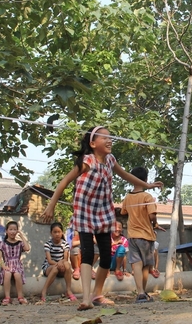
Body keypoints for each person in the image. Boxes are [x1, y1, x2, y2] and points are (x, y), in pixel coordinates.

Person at [41, 126, 163, 311]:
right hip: (84, 211)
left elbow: (126, 175)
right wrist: (51, 206)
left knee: (106, 256)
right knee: (88, 253)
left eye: (110, 138)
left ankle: (97, 295)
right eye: (104, 138)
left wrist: (148, 185)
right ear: (92, 143)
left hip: (104, 211)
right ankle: (87, 298)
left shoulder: (110, 160)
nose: (109, 140)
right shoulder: (86, 161)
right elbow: (64, 182)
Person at [120, 167, 166, 303]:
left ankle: (140, 292)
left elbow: (123, 212)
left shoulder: (128, 197)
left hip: (132, 235)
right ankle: (143, 293)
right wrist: (155, 223)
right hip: (145, 235)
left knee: (136, 264)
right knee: (146, 265)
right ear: (146, 180)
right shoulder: (147, 196)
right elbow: (152, 215)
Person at [40, 222, 77, 303]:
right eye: (55, 232)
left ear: (62, 232)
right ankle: (44, 291)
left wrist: (61, 262)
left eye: (59, 232)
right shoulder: (48, 244)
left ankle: (68, 290)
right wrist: (58, 264)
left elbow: (65, 258)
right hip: (50, 266)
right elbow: (49, 260)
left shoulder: (65, 244)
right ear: (51, 233)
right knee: (55, 268)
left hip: (62, 265)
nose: (57, 234)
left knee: (67, 264)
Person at [0, 221, 30, 305]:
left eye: (15, 229)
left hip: (17, 265)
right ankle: (7, 297)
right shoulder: (2, 243)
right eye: (10, 229)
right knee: (7, 274)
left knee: (17, 275)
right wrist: (4, 267)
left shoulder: (19, 243)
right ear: (6, 231)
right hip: (7, 265)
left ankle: (20, 296)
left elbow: (27, 248)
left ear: (17, 231)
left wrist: (22, 236)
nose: (12, 231)